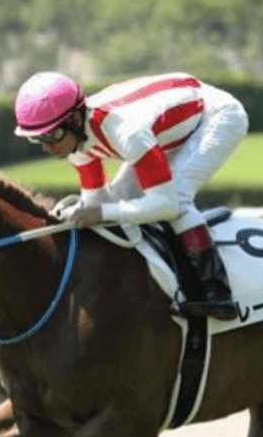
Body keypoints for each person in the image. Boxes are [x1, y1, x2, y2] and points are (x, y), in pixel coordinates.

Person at [13, 70, 248, 321]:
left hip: (217, 116)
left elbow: (165, 205)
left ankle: (217, 291)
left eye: (52, 136)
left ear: (75, 119)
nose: (48, 147)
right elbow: (96, 201)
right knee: (117, 200)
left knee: (177, 199)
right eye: (37, 139)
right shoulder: (77, 142)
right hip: (167, 125)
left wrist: (101, 212)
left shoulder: (127, 132)